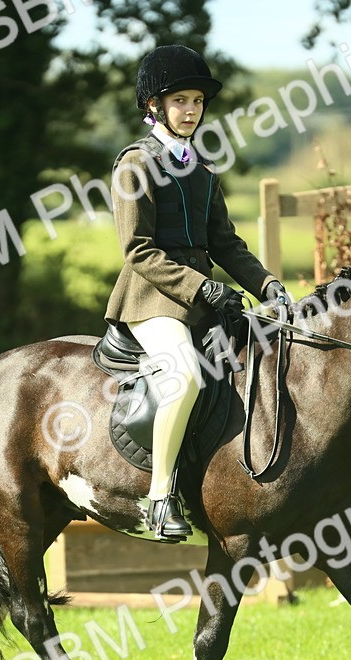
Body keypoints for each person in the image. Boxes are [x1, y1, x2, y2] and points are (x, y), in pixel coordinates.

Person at [105, 44, 290, 541]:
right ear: (154, 106)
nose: (190, 110)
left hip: (201, 300)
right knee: (185, 377)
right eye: (180, 101)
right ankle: (159, 497)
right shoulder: (135, 164)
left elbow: (226, 243)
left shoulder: (202, 168)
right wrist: (203, 287)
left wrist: (267, 283)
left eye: (196, 102)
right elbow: (137, 250)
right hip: (151, 301)